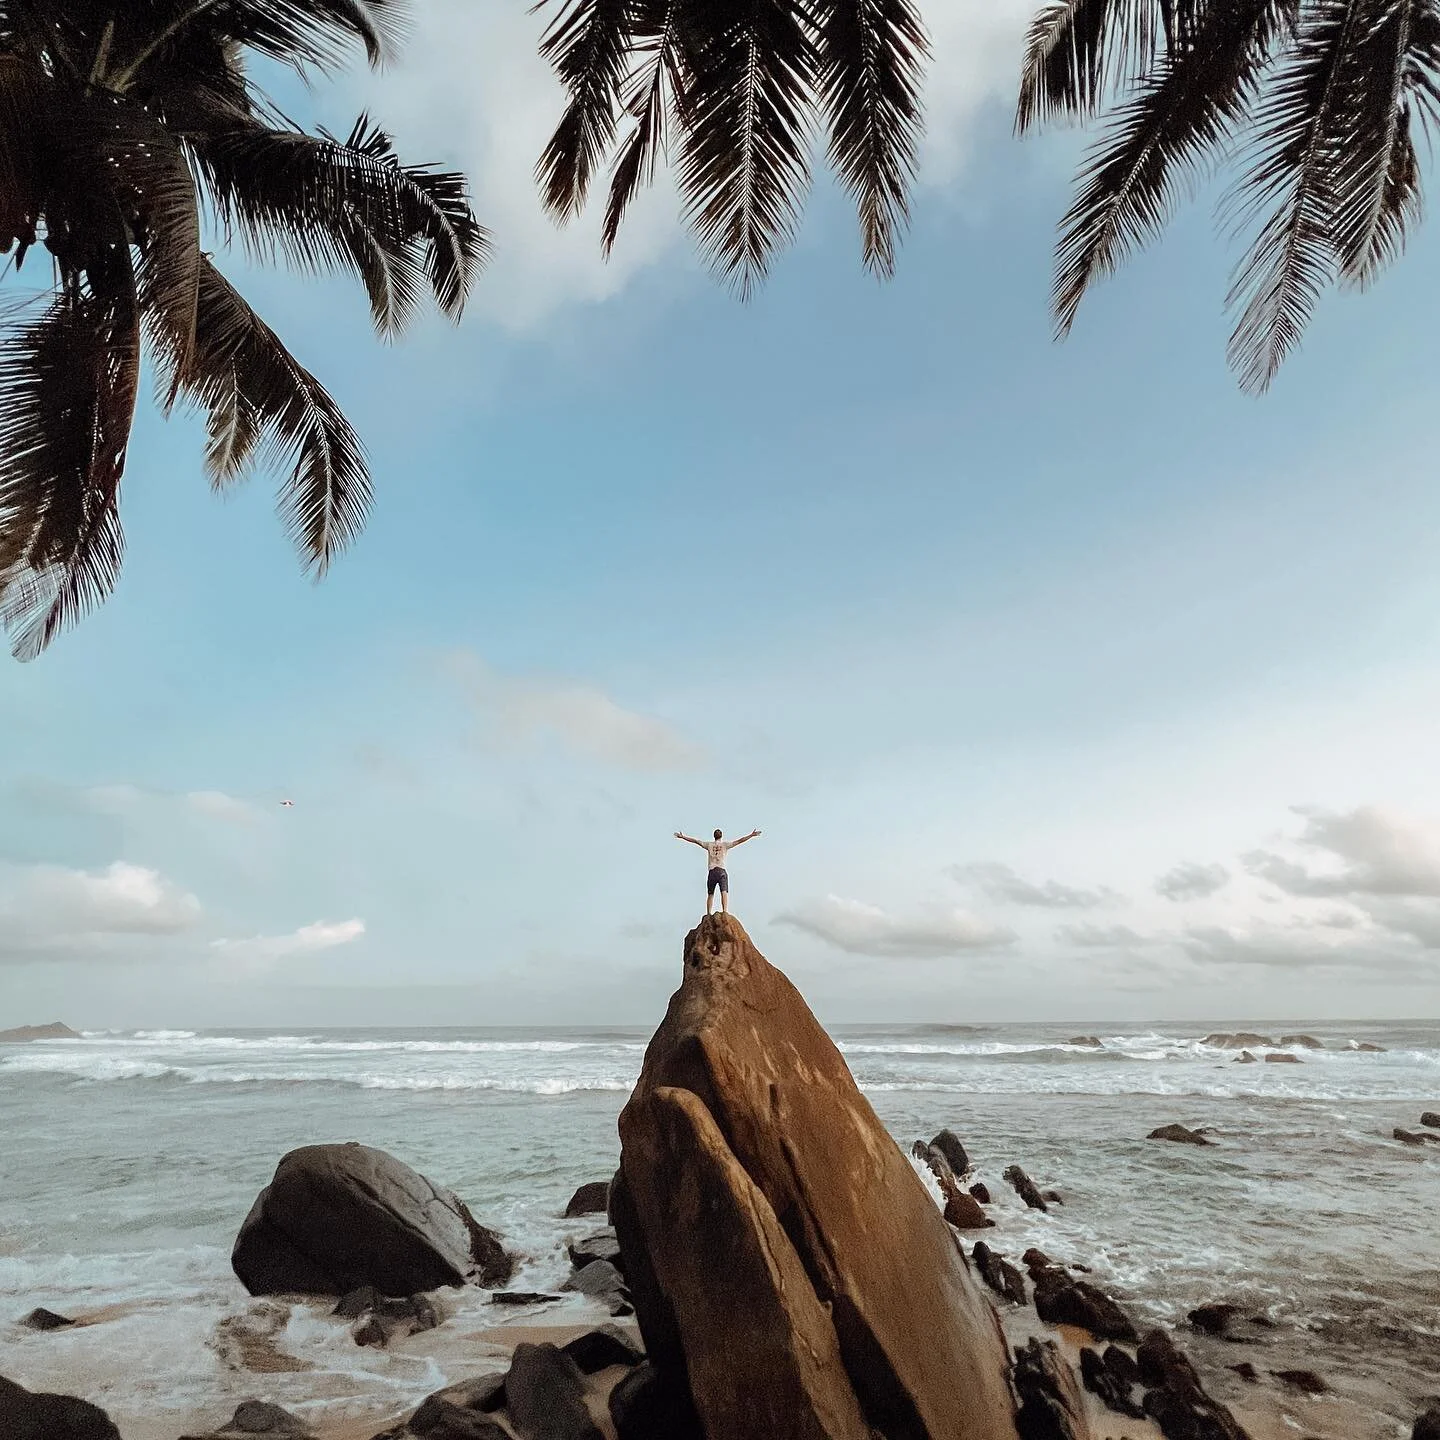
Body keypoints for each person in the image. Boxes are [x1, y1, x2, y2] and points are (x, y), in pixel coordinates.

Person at [674, 826, 761, 915]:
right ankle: (725, 911)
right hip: (721, 871)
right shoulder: (725, 845)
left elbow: (696, 841)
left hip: (712, 871)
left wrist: (683, 837)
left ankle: (708, 913)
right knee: (724, 892)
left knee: (710, 894)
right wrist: (751, 835)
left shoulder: (708, 845)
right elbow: (739, 841)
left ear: (714, 836)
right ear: (721, 836)